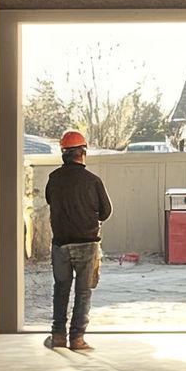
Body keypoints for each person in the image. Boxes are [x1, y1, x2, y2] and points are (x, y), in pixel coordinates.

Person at [43, 129, 112, 351]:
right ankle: (78, 339)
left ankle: (58, 336)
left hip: (61, 245)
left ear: (63, 153)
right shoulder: (93, 181)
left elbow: (50, 201)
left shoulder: (53, 179)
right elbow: (106, 212)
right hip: (87, 244)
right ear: (83, 152)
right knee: (83, 292)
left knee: (61, 290)